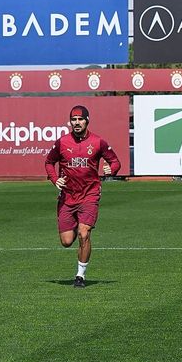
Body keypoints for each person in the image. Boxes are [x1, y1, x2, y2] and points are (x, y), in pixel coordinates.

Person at [43, 105, 121, 288]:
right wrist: (54, 179)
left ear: (87, 121)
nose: (77, 123)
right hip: (68, 197)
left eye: (80, 119)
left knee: (84, 233)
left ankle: (80, 276)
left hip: (89, 195)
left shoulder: (98, 142)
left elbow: (115, 161)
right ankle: (77, 226)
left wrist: (112, 170)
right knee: (66, 241)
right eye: (74, 119)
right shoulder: (62, 142)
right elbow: (49, 162)